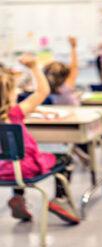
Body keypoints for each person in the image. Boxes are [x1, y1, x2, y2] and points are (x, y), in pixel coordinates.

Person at [0, 54, 80, 224]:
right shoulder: (15, 113)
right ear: (9, 94)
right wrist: (35, 67)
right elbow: (43, 91)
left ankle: (19, 197)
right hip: (25, 169)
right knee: (65, 159)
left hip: (1, 170)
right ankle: (59, 199)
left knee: (13, 160)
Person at [44, 36, 79, 105]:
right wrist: (73, 47)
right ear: (66, 74)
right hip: (73, 113)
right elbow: (74, 66)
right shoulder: (67, 85)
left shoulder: (46, 89)